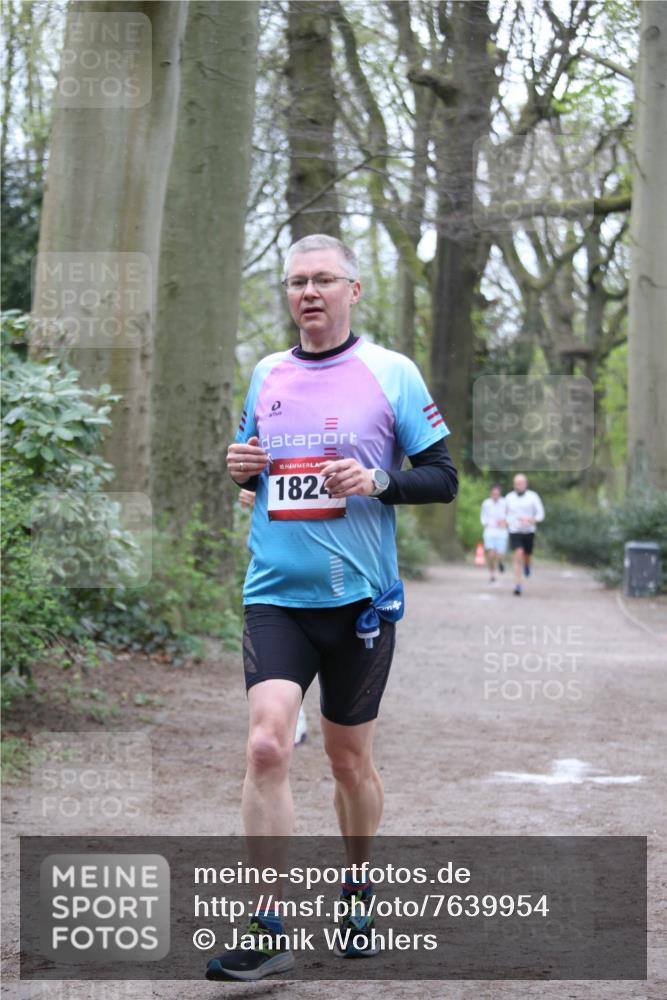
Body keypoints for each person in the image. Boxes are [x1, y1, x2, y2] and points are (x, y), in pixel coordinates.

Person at [206, 234, 457, 982]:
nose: (308, 292)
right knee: (265, 745)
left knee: (349, 763)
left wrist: (377, 481)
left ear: (353, 289)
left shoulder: (391, 372)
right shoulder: (267, 373)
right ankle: (266, 923)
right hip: (275, 596)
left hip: (359, 604)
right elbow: (258, 474)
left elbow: (443, 477)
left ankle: (357, 890)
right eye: (296, 282)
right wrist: (240, 468)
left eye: (322, 279)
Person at [504, 473, 545, 596]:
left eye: (521, 483)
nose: (518, 486)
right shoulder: (509, 498)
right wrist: (506, 521)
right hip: (515, 531)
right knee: (518, 554)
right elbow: (504, 514)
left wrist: (531, 520)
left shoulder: (533, 497)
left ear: (526, 484)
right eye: (516, 483)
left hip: (529, 531)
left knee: (527, 555)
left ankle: (527, 565)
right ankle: (518, 585)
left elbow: (541, 514)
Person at [480, 483, 508, 582]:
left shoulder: (505, 503)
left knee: (499, 555)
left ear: (500, 494)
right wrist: (485, 523)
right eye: (494, 494)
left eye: (497, 494)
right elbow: (483, 516)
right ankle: (492, 574)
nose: (495, 496)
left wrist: (505, 522)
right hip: (490, 531)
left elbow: (509, 515)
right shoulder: (486, 503)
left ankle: (500, 562)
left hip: (501, 532)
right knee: (491, 554)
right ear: (491, 494)